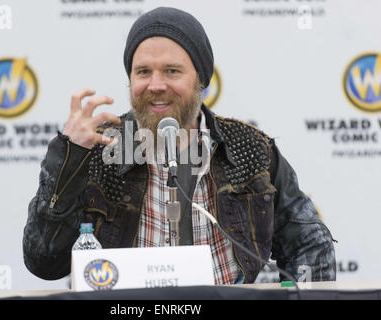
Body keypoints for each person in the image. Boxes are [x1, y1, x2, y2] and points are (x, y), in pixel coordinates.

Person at [23, 7, 336, 284]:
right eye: (143, 72)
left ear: (200, 79)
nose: (156, 85)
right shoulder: (97, 150)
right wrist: (68, 157)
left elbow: (309, 243)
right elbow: (43, 262)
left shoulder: (248, 148)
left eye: (172, 71)